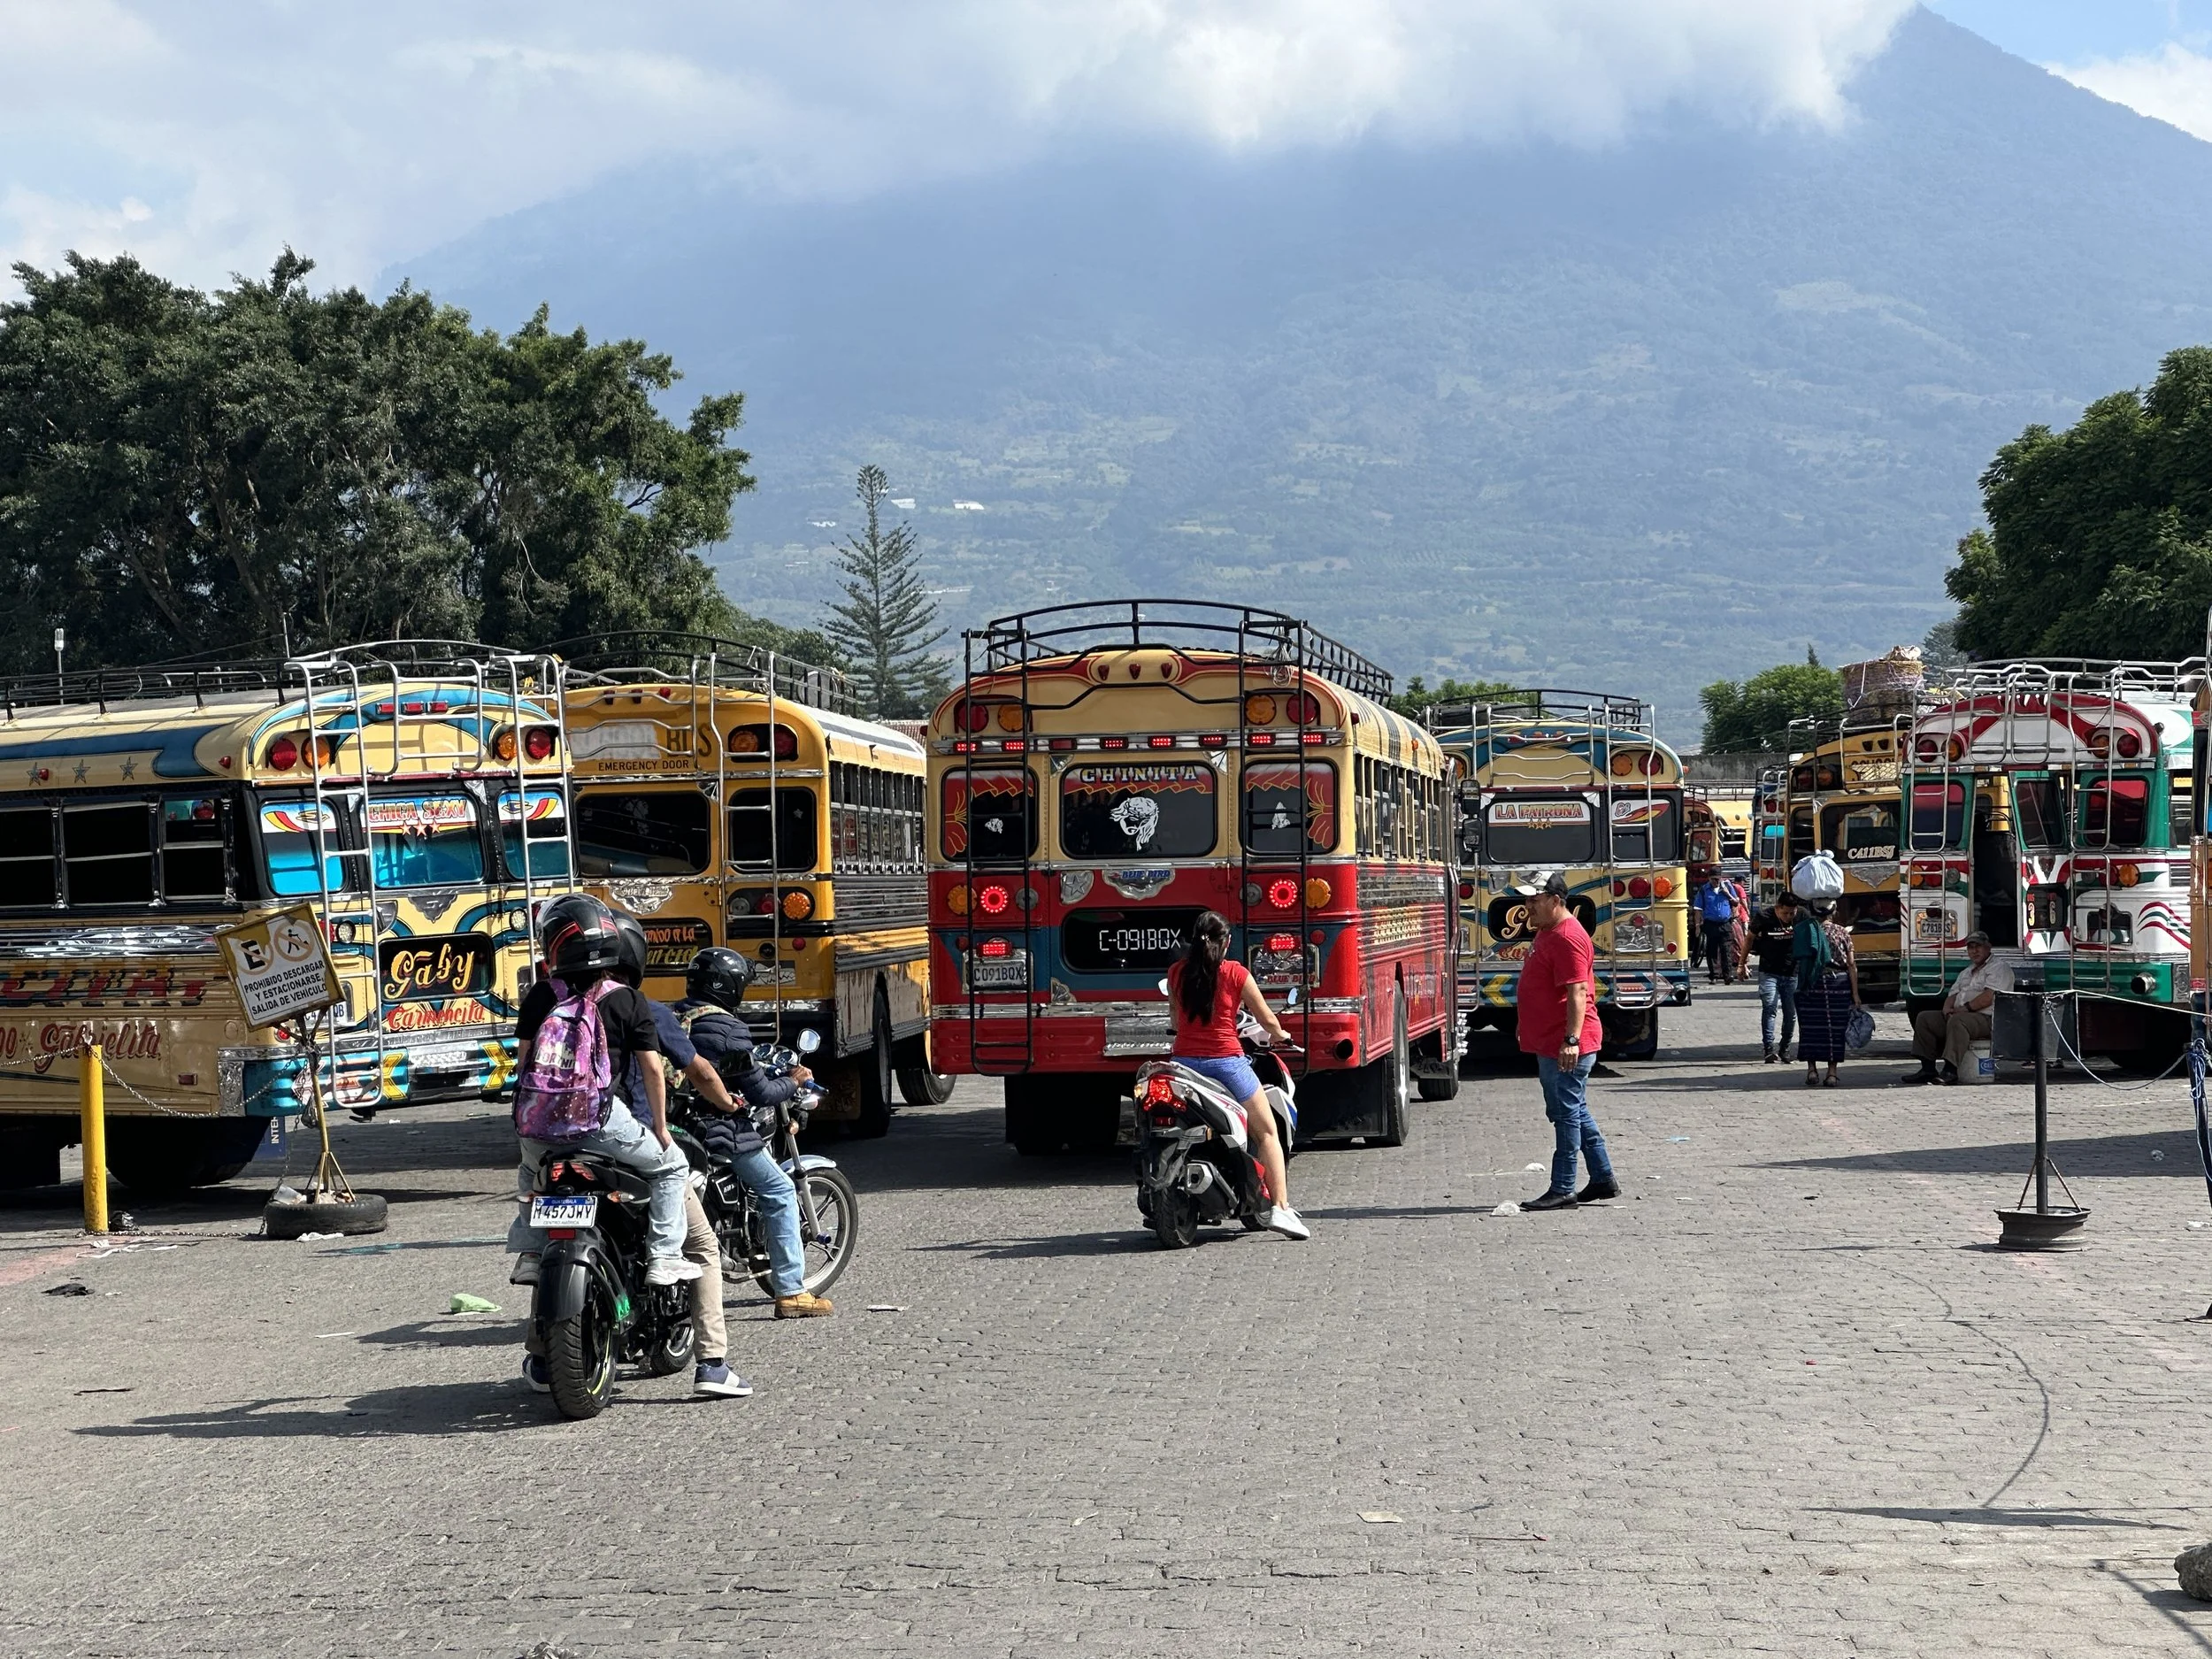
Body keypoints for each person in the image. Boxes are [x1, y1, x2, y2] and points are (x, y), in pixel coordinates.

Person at [506, 896, 700, 1390]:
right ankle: (662, 1258)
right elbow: (654, 1069)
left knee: (532, 1178)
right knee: (670, 1169)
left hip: (540, 1129)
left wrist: (526, 1118)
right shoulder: (626, 1000)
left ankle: (530, 1252)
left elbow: (524, 1063)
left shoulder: (539, 996)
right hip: (599, 1122)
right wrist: (658, 1127)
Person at [670, 946, 834, 1319]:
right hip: (719, 1129)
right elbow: (760, 1092)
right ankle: (792, 1291)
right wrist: (793, 1082)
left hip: (676, 1128)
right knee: (778, 1191)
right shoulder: (728, 1028)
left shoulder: (673, 1016)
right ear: (731, 988)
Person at [1166, 910, 1307, 1240]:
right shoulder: (1235, 974)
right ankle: (1282, 1208)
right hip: (1227, 1064)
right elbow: (1268, 1021)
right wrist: (1281, 1035)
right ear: (1226, 942)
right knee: (1268, 1132)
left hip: (1184, 1064)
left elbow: (1175, 1019)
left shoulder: (1175, 973)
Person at [1513, 871, 1617, 1210]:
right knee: (1572, 1110)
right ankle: (1602, 1179)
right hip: (1550, 1040)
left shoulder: (1567, 936)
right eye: (1527, 900)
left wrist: (1571, 1040)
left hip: (1569, 1042)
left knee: (1566, 1114)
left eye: (1535, 900)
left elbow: (1578, 991)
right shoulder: (1548, 931)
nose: (1528, 906)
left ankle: (1563, 1186)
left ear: (1556, 901)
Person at [1901, 931, 2012, 1086]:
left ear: (1988, 947)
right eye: (1970, 948)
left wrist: (1964, 1009)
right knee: (1925, 1018)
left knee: (1959, 1021)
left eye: (1978, 947)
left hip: (1988, 1018)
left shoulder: (1998, 968)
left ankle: (1950, 1070)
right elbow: (1953, 994)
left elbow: (1989, 997)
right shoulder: (1967, 972)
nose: (1974, 951)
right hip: (1964, 1015)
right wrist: (1947, 1009)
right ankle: (1927, 1068)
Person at [1792, 898, 1861, 1087]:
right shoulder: (1842, 933)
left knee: (1810, 1028)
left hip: (1810, 983)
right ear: (1834, 911)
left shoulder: (1805, 931)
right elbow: (1851, 964)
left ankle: (1812, 1070)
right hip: (1837, 985)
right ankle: (1831, 1073)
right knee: (1834, 1030)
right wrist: (1855, 994)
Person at [1742, 891, 1803, 1063]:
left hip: (1792, 973)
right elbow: (1749, 939)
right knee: (1770, 1008)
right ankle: (1768, 1048)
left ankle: (1785, 1048)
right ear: (1777, 908)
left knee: (1791, 1013)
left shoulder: (1802, 916)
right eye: (1785, 913)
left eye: (1792, 913)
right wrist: (1742, 964)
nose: (1789, 917)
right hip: (1769, 972)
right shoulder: (1764, 917)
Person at [1694, 875, 1736, 984]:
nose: (1716, 882)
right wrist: (1697, 926)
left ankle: (1728, 975)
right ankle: (1714, 975)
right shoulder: (1704, 890)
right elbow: (1698, 909)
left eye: (1718, 879)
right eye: (1714, 879)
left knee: (1726, 950)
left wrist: (1727, 893)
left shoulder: (1727, 887)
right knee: (1711, 951)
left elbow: (1736, 902)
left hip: (1725, 924)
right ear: (1709, 879)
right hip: (1710, 924)